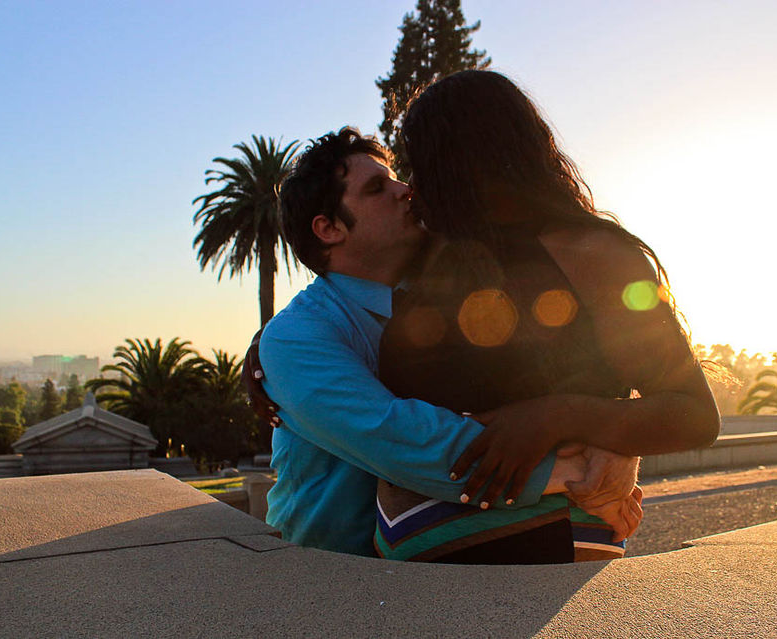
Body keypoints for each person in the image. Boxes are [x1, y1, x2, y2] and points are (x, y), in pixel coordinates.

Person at [371, 70, 720, 563]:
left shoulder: (592, 253)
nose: (412, 184)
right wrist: (268, 353)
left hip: (545, 550)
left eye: (422, 160)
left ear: (466, 158)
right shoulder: (437, 257)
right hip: (407, 566)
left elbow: (693, 415)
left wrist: (556, 415)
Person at [248, 128, 643, 559]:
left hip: (461, 561)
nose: (406, 191)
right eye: (378, 188)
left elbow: (580, 360)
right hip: (330, 575)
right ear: (329, 228)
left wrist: (618, 444)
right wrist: (585, 476)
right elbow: (400, 436)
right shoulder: (296, 337)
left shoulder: (459, 290)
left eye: (397, 177)